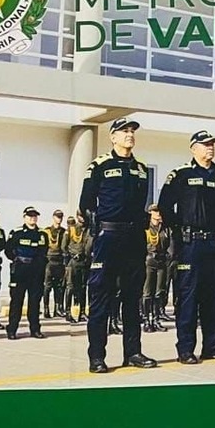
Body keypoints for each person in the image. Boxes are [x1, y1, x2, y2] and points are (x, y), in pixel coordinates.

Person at [80, 118, 157, 374]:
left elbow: (139, 206)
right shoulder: (100, 165)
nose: (130, 134)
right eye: (124, 131)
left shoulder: (142, 169)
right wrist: (97, 233)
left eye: (133, 131)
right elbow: (87, 204)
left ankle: (132, 352)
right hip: (108, 238)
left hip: (134, 239)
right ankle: (97, 356)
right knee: (101, 297)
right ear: (112, 137)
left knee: (132, 297)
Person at [157, 130, 215, 365]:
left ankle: (212, 345)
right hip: (190, 244)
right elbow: (164, 205)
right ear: (193, 149)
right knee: (189, 297)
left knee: (213, 296)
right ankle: (185, 348)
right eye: (205, 144)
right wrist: (178, 231)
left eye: (212, 144)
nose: (210, 148)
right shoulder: (181, 174)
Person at [4, 207, 48, 341]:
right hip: (20, 271)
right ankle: (12, 329)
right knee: (17, 302)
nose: (32, 218)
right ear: (24, 217)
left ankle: (35, 329)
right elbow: (8, 250)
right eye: (30, 216)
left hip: (36, 272)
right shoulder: (17, 233)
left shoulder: (42, 234)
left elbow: (44, 251)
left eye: (35, 216)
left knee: (35, 303)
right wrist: (17, 260)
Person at [142, 205, 171, 334]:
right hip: (149, 260)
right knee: (147, 292)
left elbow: (168, 244)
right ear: (150, 213)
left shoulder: (164, 228)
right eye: (155, 211)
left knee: (159, 292)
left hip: (161, 260)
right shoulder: (146, 228)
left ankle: (156, 319)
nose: (158, 214)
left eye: (159, 211)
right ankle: (146, 320)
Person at [64, 212, 91, 324]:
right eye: (81, 216)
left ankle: (82, 312)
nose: (83, 218)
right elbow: (63, 246)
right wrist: (71, 256)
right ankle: (68, 312)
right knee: (70, 287)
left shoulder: (89, 229)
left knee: (83, 288)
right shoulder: (71, 229)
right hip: (73, 262)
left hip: (84, 262)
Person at [42, 209, 67, 319]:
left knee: (59, 287)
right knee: (47, 286)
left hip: (59, 260)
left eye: (61, 217)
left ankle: (58, 309)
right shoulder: (46, 231)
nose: (59, 219)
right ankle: (46, 309)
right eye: (57, 217)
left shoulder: (64, 231)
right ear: (53, 217)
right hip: (49, 260)